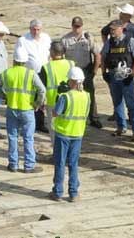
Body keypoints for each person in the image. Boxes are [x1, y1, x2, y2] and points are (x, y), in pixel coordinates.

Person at [0, 47, 46, 173]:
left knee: (12, 137)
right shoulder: (31, 74)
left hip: (12, 108)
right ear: (25, 61)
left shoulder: (6, 73)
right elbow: (42, 90)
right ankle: (29, 165)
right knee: (28, 138)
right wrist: (37, 104)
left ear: (14, 60)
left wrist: (4, 96)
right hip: (27, 109)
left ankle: (13, 164)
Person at [101, 3, 134, 121]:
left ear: (128, 16)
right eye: (120, 13)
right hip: (114, 65)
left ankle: (132, 117)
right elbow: (103, 32)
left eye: (123, 13)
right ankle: (117, 114)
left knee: (130, 94)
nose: (120, 14)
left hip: (128, 66)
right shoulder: (114, 24)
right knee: (115, 92)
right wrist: (107, 47)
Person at [48, 67, 90, 202]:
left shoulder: (65, 96)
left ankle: (58, 192)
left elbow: (56, 113)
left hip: (63, 133)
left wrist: (58, 98)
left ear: (71, 81)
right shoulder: (87, 96)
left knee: (60, 163)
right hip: (78, 133)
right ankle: (73, 193)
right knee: (73, 163)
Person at [101, 20, 134, 141]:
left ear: (121, 29)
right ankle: (121, 127)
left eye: (114, 29)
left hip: (126, 75)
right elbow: (103, 57)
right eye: (110, 30)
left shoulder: (130, 41)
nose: (111, 32)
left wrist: (133, 74)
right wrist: (104, 73)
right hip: (114, 76)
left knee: (131, 104)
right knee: (117, 102)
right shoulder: (109, 42)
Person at [61, 16, 103, 129]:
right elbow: (60, 56)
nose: (77, 29)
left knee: (90, 94)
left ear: (82, 26)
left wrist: (94, 71)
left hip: (86, 69)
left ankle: (93, 118)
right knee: (72, 94)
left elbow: (97, 54)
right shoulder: (65, 39)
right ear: (72, 26)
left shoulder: (88, 38)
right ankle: (75, 116)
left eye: (79, 26)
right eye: (75, 26)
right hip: (72, 71)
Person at [15, 19, 51, 133]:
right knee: (30, 96)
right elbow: (18, 58)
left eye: (38, 30)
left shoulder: (46, 38)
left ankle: (40, 123)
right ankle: (29, 122)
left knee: (42, 95)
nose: (36, 32)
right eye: (34, 29)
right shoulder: (23, 40)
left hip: (44, 72)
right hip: (30, 73)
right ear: (30, 29)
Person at [40, 41, 75, 144]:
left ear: (51, 52)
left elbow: (41, 87)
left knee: (54, 129)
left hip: (53, 101)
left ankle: (57, 154)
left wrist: (41, 102)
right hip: (71, 100)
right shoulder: (71, 63)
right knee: (68, 127)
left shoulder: (46, 67)